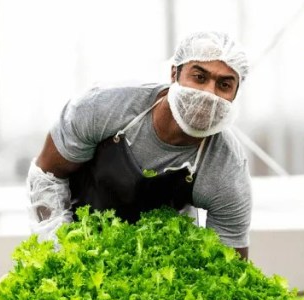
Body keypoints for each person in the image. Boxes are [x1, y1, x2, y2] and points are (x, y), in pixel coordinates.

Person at [27, 30, 253, 258]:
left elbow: (228, 264)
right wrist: (63, 252)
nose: (209, 94)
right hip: (81, 243)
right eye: (199, 77)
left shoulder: (228, 168)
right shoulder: (104, 106)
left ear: (235, 95)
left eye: (224, 85)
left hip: (161, 264)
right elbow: (47, 176)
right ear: (174, 74)